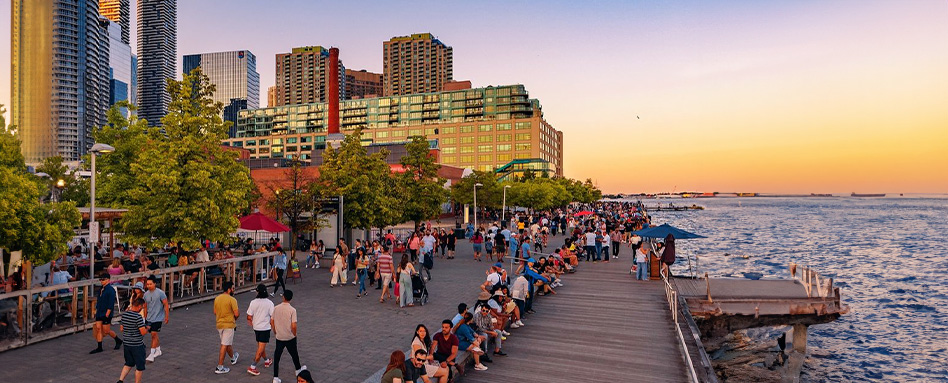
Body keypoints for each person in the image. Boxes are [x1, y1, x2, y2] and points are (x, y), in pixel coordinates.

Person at [271, 290, 304, 383]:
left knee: (277, 357)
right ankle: (298, 370)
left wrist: (275, 331)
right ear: (291, 299)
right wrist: (294, 333)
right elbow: (294, 325)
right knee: (294, 354)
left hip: (279, 336)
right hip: (289, 337)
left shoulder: (276, 308)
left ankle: (275, 377)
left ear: (283, 297)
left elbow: (272, 321)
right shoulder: (292, 310)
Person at [116, 298, 148, 383]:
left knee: (129, 363)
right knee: (140, 366)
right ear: (139, 306)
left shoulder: (125, 314)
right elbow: (143, 332)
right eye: (142, 307)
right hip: (137, 345)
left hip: (127, 343)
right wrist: (147, 328)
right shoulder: (138, 317)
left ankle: (120, 380)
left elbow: (121, 329)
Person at [246, 284, 274, 376]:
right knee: (261, 348)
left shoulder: (253, 302)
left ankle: (266, 360)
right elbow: (272, 316)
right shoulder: (269, 303)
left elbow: (249, 316)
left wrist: (250, 321)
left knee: (260, 347)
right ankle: (253, 366)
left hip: (256, 328)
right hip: (265, 328)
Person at [90, 274, 122, 354]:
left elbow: (111, 302)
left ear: (108, 280)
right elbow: (99, 300)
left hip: (106, 312)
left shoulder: (110, 290)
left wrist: (108, 312)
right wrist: (96, 310)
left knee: (106, 330)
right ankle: (99, 347)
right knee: (98, 328)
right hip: (99, 311)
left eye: (103, 279)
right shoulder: (101, 289)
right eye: (100, 280)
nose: (101, 281)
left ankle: (118, 340)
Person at [213, 281, 240, 374]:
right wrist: (234, 318)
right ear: (229, 290)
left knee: (227, 343)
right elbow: (236, 313)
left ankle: (233, 358)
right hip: (229, 325)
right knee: (224, 345)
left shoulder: (217, 298)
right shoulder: (232, 300)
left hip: (219, 324)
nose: (233, 290)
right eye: (233, 288)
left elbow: (215, 312)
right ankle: (220, 366)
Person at [143, 277, 169, 363]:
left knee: (154, 334)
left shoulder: (160, 293)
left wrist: (166, 316)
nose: (149, 286)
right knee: (153, 335)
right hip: (149, 317)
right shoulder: (146, 294)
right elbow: (145, 306)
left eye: (150, 284)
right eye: (147, 284)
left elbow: (165, 304)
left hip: (158, 317)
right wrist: (145, 317)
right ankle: (158, 350)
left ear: (154, 284)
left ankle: (152, 353)